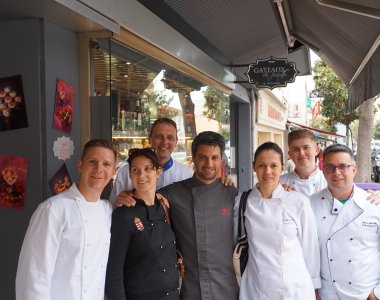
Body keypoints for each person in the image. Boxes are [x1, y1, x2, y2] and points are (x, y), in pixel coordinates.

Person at [15, 139, 116, 300]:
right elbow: (33, 275)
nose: (99, 169)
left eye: (106, 164)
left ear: (113, 172)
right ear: (80, 166)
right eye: (92, 162)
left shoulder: (108, 210)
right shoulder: (53, 209)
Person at [156, 131, 239, 300]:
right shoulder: (172, 193)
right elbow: (144, 200)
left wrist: (284, 189)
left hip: (226, 289)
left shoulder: (232, 194)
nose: (209, 163)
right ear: (193, 157)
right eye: (203, 157)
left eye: (215, 158)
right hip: (188, 289)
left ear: (221, 160)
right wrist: (128, 195)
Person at [238, 142, 321, 300]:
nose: (267, 171)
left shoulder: (298, 201)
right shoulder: (243, 201)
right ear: (254, 167)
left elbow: (310, 249)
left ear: (282, 167)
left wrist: (315, 286)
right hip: (256, 287)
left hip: (294, 288)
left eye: (273, 165)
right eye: (261, 165)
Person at [105, 148, 179, 299]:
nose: (141, 175)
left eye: (148, 169)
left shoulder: (164, 206)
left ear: (158, 172)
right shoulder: (123, 214)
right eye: (135, 170)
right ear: (130, 174)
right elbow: (114, 274)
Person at [310, 144, 380, 300]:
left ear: (354, 169)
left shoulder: (374, 204)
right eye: (330, 167)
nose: (337, 173)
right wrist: (312, 290)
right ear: (323, 170)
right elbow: (306, 254)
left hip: (365, 294)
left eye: (343, 166)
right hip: (327, 295)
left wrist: (376, 294)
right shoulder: (309, 205)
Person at [109, 118, 193, 205]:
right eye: (159, 137)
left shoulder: (187, 174)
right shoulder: (126, 171)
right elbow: (113, 206)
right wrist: (118, 202)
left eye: (170, 137)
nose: (164, 142)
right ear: (150, 139)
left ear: (176, 142)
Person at [281, 129, 327, 196]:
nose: (301, 153)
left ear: (317, 150)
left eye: (306, 148)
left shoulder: (328, 182)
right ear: (290, 154)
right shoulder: (279, 183)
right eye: (295, 149)